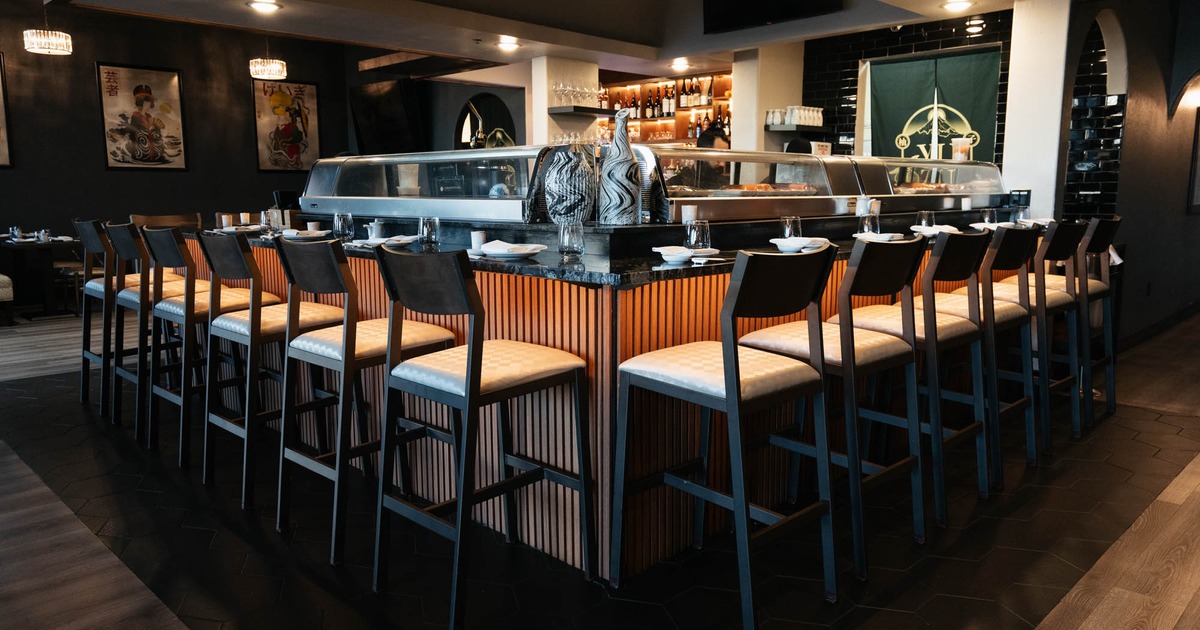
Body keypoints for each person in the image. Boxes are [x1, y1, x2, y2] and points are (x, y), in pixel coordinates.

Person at [666, 126, 731, 189]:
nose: (722, 164)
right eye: (718, 159)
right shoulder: (675, 184)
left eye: (724, 158)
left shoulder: (724, 184)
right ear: (702, 154)